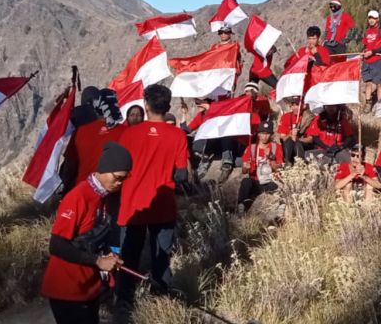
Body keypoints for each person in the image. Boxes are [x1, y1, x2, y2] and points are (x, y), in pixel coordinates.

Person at [115, 84, 190, 320]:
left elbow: (118, 169)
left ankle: (123, 303)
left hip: (134, 205)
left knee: (129, 256)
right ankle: (162, 302)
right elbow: (181, 175)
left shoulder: (129, 134)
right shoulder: (177, 135)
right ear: (167, 106)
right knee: (162, 256)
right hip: (163, 204)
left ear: (146, 106)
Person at [41, 142, 131, 324]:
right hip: (67, 290)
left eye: (124, 179)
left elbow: (94, 238)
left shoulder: (104, 197)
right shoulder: (78, 197)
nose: (119, 183)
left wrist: (108, 256)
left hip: (88, 288)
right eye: (117, 178)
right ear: (105, 169)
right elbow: (56, 245)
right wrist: (98, 261)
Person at [63, 89, 127, 188]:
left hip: (82, 189)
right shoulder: (126, 132)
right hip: (112, 192)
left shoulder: (80, 131)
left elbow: (70, 164)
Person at [183, 98, 238, 185]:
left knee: (225, 135)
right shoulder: (200, 115)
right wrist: (184, 114)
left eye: (199, 102)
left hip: (224, 143)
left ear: (206, 101)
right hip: (210, 144)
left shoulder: (219, 110)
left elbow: (222, 125)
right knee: (203, 136)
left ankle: (227, 165)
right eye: (195, 102)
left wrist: (210, 110)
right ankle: (203, 164)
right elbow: (186, 130)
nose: (197, 104)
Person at [238, 122, 284, 211]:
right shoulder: (251, 148)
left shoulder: (276, 147)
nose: (264, 136)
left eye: (267, 134)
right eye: (262, 133)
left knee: (277, 186)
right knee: (246, 181)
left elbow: (278, 168)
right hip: (255, 181)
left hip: (270, 181)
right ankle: (241, 205)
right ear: (258, 134)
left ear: (271, 135)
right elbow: (244, 171)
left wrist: (271, 157)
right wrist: (245, 167)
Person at [360, 10, 381, 112]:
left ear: (377, 19)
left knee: (378, 83)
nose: (371, 20)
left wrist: (372, 52)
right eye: (369, 18)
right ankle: (368, 103)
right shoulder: (367, 31)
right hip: (367, 61)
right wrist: (363, 53)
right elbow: (365, 45)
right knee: (368, 83)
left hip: (377, 60)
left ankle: (380, 105)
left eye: (373, 18)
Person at [276, 99, 309, 165]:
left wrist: (298, 139)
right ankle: (287, 163)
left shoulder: (308, 117)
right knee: (289, 141)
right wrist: (290, 134)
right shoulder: (285, 117)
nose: (295, 107)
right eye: (293, 105)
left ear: (304, 106)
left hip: (303, 145)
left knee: (297, 144)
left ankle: (300, 165)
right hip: (288, 145)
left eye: (298, 105)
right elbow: (283, 138)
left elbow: (310, 139)